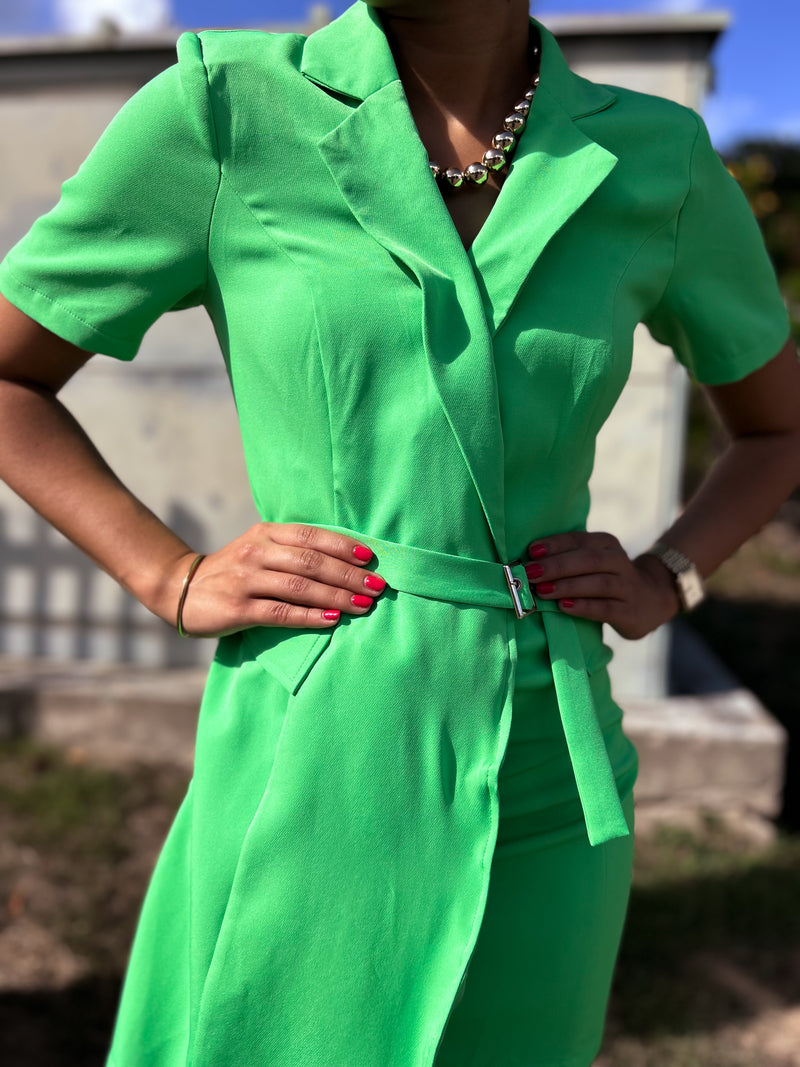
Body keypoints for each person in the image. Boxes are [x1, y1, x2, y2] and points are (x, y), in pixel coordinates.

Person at [0, 1, 798, 1064]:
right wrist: (171, 575)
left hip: (550, 765)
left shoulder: (651, 158)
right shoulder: (225, 110)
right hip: (316, 742)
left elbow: (775, 427)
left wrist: (670, 576)